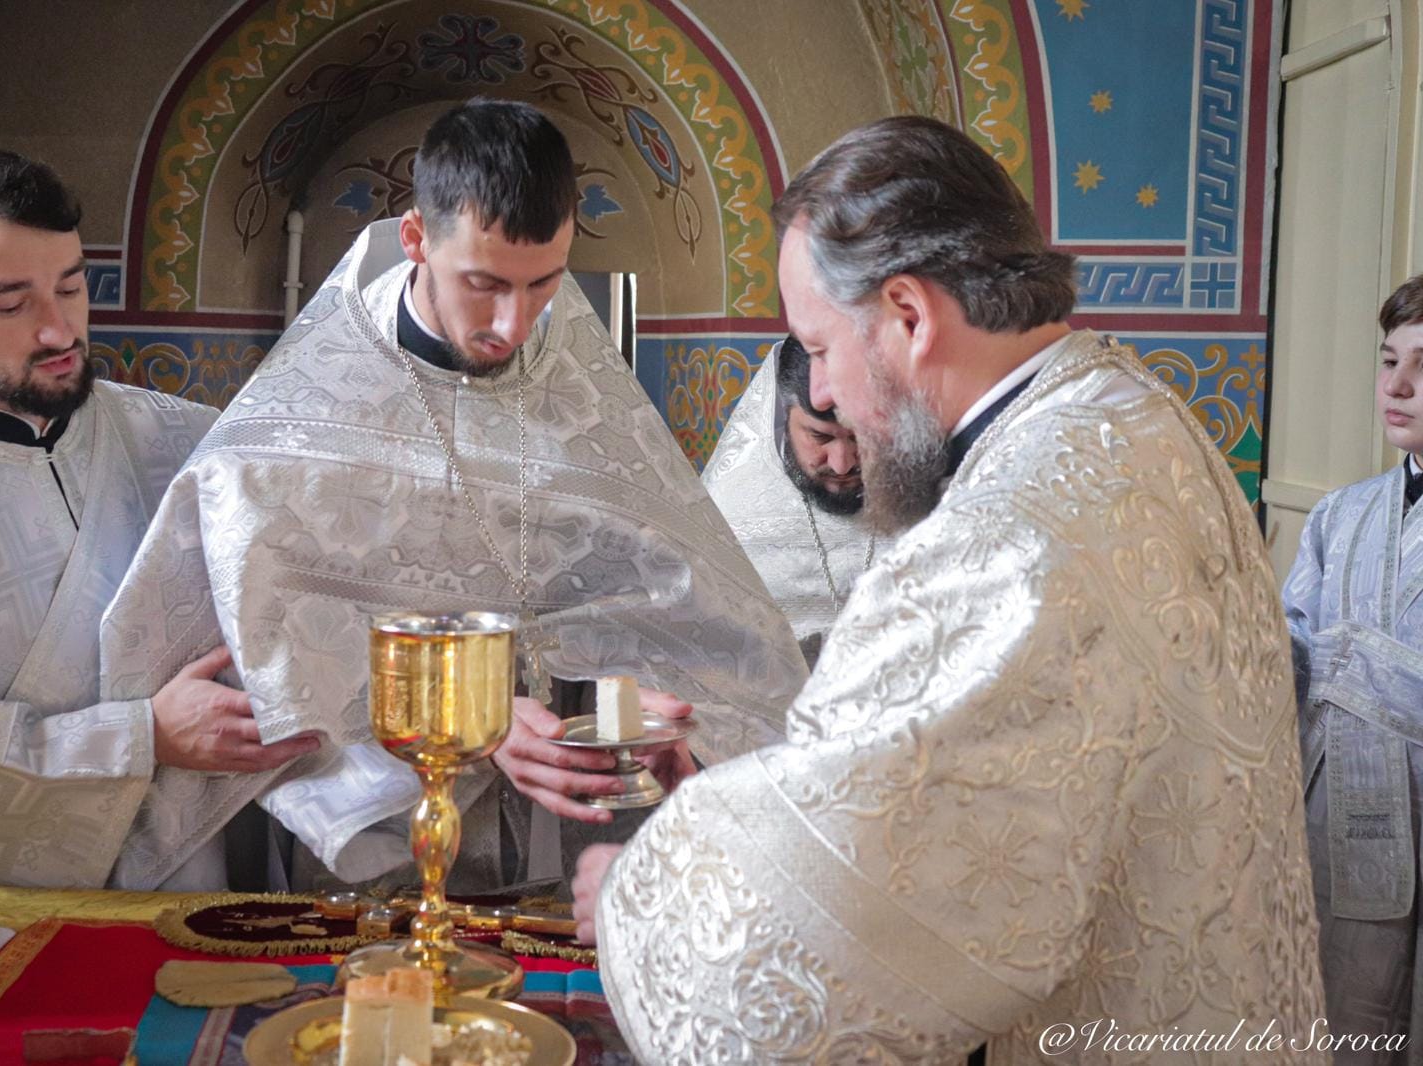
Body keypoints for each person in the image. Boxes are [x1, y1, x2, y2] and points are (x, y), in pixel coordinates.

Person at [574, 115, 1326, 1063]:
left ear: (909, 315)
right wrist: (754, 805)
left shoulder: (1005, 537)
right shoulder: (1139, 417)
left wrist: (646, 897)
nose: (824, 394)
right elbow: (996, 805)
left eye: (820, 346)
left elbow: (836, 943)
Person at [98, 99, 806, 892]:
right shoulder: (299, 426)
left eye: (544, 284)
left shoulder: (577, 381)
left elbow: (659, 601)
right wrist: (476, 722)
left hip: (550, 841)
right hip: (374, 850)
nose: (513, 323)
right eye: (483, 284)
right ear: (415, 240)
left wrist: (642, 701)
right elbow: (269, 658)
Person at [0, 139, 303, 888]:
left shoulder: (188, 440)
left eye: (72, 287)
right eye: (12, 303)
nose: (59, 330)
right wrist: (142, 737)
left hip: (203, 884)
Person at [1285, 273, 1423, 1059]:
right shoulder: (1340, 513)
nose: (1397, 387)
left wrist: (1357, 661)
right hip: (1331, 818)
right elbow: (1294, 658)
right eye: (1389, 361)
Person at [702, 334, 874, 665]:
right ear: (782, 415)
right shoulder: (731, 515)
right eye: (819, 436)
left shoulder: (939, 502)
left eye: (861, 436)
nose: (842, 463)